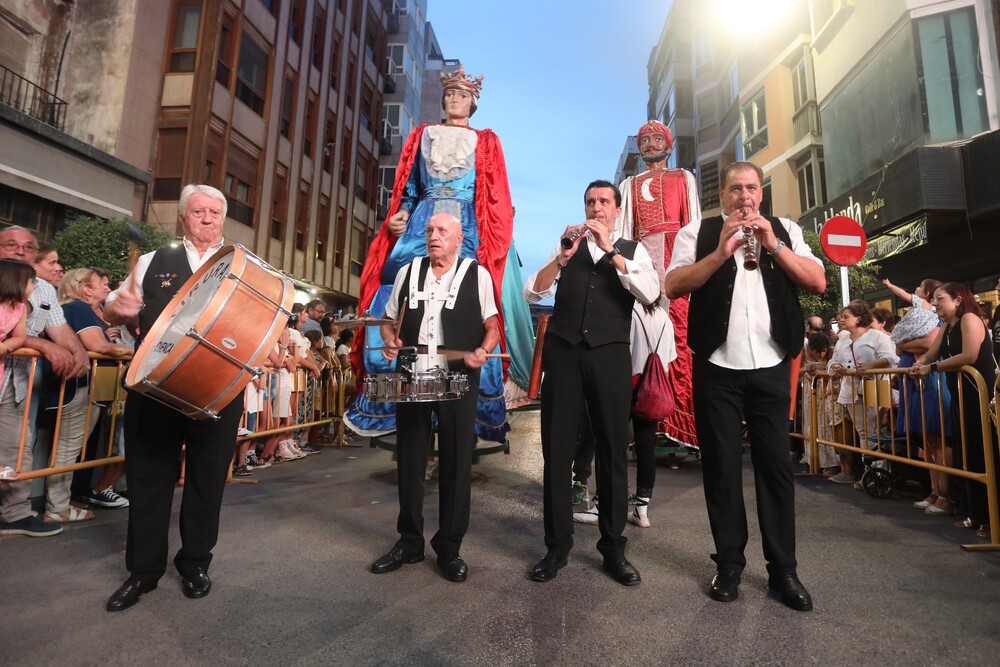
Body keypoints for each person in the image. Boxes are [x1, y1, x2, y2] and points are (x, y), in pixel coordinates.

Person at [663, 161, 826, 611]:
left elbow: (817, 280)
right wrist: (718, 252)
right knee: (720, 469)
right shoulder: (697, 232)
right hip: (717, 364)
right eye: (736, 189)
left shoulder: (786, 229)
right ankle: (729, 565)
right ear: (723, 194)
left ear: (761, 192)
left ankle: (783, 571)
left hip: (773, 362)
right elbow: (673, 285)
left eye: (752, 188)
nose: (745, 197)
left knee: (775, 467)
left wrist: (774, 245)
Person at [346, 65, 534, 445]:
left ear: (473, 103)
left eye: (462, 95)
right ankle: (393, 396)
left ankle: (475, 401)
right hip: (423, 220)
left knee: (474, 292)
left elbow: (493, 191)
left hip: (467, 221)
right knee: (396, 280)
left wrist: (492, 235)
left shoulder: (486, 141)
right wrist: (399, 215)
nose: (454, 100)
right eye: (449, 94)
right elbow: (410, 188)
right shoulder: (421, 135)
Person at [102, 184, 245, 611]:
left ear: (223, 218)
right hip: (155, 383)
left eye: (214, 212)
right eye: (198, 211)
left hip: (218, 385)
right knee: (149, 477)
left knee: (207, 477)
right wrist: (117, 310)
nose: (207, 218)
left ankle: (195, 563)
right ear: (184, 217)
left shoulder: (243, 265)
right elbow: (115, 305)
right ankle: (143, 572)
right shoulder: (152, 260)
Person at [524, 180, 659, 586]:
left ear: (617, 210)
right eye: (590, 202)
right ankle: (556, 546)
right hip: (564, 354)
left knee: (614, 451)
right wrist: (562, 260)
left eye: (604, 202)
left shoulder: (633, 251)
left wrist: (613, 252)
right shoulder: (567, 245)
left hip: (609, 355)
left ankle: (613, 548)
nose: (596, 207)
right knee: (557, 451)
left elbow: (650, 292)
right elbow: (533, 291)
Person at [369, 213, 500, 583]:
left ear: (459, 238)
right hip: (413, 376)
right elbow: (388, 320)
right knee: (410, 459)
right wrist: (390, 340)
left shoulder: (478, 274)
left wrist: (482, 349)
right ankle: (409, 541)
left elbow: (492, 325)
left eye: (443, 231)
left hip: (458, 378)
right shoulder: (409, 271)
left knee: (456, 462)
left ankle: (449, 548)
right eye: (429, 231)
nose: (434, 236)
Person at [617, 120, 701, 449]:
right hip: (640, 263)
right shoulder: (628, 185)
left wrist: (692, 270)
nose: (650, 144)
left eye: (657, 138)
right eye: (645, 140)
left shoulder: (683, 177)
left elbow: (691, 224)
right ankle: (643, 422)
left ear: (667, 143)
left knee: (679, 338)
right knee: (640, 340)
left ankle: (680, 425)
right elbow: (624, 234)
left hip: (674, 260)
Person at [0, 226, 88, 538]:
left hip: (20, 381)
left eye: (28, 246)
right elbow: (33, 340)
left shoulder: (43, 290)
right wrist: (44, 346)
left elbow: (60, 330)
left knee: (18, 448)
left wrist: (80, 354)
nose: (20, 250)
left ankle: (15, 514)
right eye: (11, 244)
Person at [37, 268, 133, 523]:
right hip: (77, 387)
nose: (107, 288)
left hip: (80, 387)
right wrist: (130, 352)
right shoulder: (78, 309)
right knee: (68, 448)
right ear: (85, 288)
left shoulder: (75, 309)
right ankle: (56, 508)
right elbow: (98, 347)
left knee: (68, 448)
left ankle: (58, 502)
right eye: (101, 283)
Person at [911, 283, 1000, 540]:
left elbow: (969, 355)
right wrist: (920, 364)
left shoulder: (970, 319)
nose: (935, 303)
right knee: (968, 454)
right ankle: (977, 514)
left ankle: (992, 519)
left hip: (979, 396)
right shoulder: (947, 326)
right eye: (935, 298)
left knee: (984, 455)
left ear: (958, 300)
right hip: (960, 397)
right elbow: (931, 354)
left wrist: (933, 367)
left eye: (940, 298)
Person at [828, 301, 899, 485]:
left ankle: (880, 473)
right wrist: (835, 367)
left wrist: (871, 365)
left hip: (875, 389)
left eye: (846, 317)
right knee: (862, 432)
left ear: (858, 318)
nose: (841, 320)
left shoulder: (877, 337)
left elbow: (891, 359)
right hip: (851, 391)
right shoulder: (842, 340)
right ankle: (870, 473)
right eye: (841, 317)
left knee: (876, 431)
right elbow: (832, 362)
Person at [627, 296, 677, 528]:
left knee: (614, 445)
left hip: (628, 384)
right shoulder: (666, 319)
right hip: (655, 390)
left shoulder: (629, 313)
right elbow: (670, 358)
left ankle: (604, 503)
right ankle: (642, 511)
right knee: (646, 449)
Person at [0, 259, 33, 481]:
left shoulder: (19, 307)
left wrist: (5, 346)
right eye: (32, 281)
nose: (35, 286)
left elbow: (20, 336)